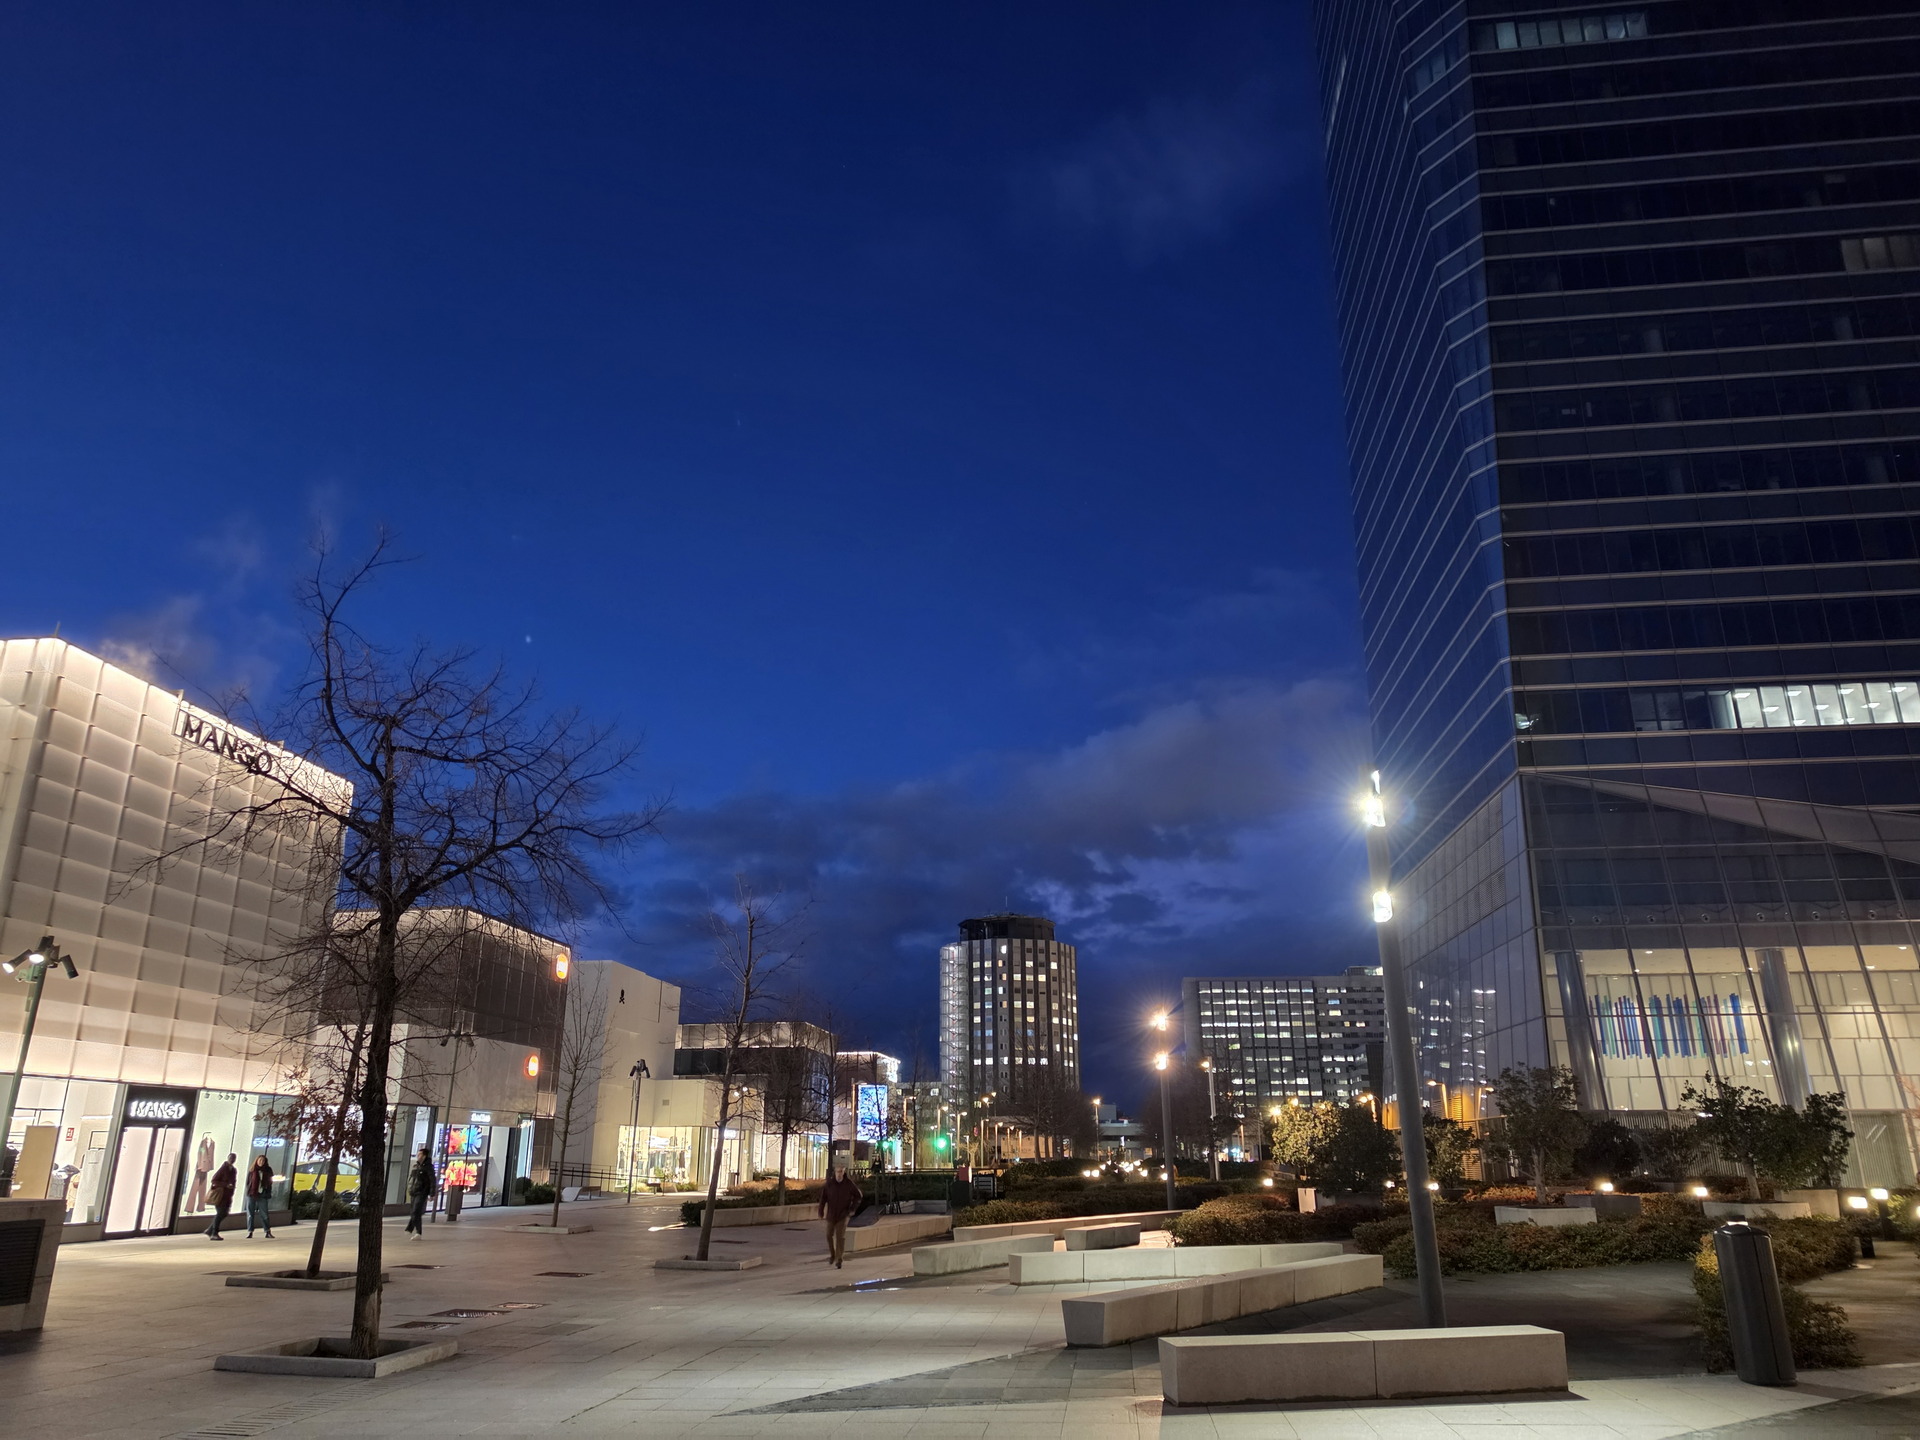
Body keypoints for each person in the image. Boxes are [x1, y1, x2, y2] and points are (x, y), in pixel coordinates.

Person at [817, 1163, 863, 1269]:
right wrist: (821, 1211)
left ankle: (839, 1259)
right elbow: (823, 1198)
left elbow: (858, 1196)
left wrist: (852, 1209)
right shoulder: (830, 1184)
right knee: (829, 1235)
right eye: (837, 1171)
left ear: (844, 1172)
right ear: (835, 1172)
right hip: (831, 1214)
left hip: (843, 1214)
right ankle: (832, 1255)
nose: (839, 1174)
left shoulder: (848, 1184)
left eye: (841, 1171)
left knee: (840, 1237)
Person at [404, 1146, 437, 1239]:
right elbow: (411, 1179)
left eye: (420, 1154)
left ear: (424, 1156)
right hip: (413, 1192)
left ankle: (418, 1232)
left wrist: (432, 1194)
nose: (418, 1156)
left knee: (415, 1211)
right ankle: (410, 1228)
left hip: (422, 1192)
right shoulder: (416, 1166)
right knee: (414, 1212)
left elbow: (432, 1180)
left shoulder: (428, 1167)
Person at [205, 1153, 238, 1240]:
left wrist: (232, 1190)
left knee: (224, 1213)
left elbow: (234, 1182)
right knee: (220, 1213)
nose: (232, 1160)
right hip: (220, 1195)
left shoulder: (233, 1170)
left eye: (234, 1158)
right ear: (228, 1158)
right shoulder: (223, 1168)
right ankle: (214, 1233)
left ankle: (210, 1230)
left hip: (228, 1196)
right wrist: (226, 1185)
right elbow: (214, 1180)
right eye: (231, 1158)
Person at [244, 1154, 276, 1238]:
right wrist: (250, 1190)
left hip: (263, 1194)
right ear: (256, 1161)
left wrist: (267, 1191)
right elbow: (248, 1182)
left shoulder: (268, 1170)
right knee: (250, 1214)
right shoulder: (252, 1170)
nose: (261, 1162)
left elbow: (270, 1182)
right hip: (252, 1194)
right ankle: (250, 1231)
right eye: (259, 1160)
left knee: (264, 1214)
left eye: (263, 1160)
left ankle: (267, 1231)